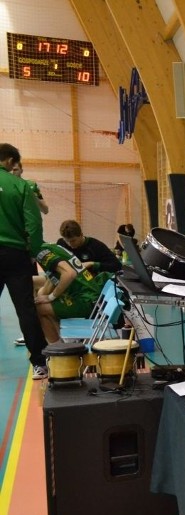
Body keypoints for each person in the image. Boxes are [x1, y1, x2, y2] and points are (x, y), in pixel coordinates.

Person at [0, 143, 49, 378]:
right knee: (25, 309)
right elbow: (34, 223)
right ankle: (40, 362)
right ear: (10, 161)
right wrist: (34, 251)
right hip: (15, 254)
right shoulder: (20, 186)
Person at [35, 242, 111, 344]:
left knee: (37, 309)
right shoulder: (50, 247)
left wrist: (50, 297)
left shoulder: (41, 253)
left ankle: (58, 349)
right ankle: (63, 342)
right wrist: (43, 296)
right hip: (87, 294)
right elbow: (53, 277)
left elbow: (69, 274)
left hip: (86, 300)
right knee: (41, 302)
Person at [56, 219, 121, 275]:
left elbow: (117, 265)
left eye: (73, 241)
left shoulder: (96, 246)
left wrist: (92, 264)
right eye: (66, 241)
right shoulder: (61, 243)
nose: (70, 244)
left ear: (81, 235)